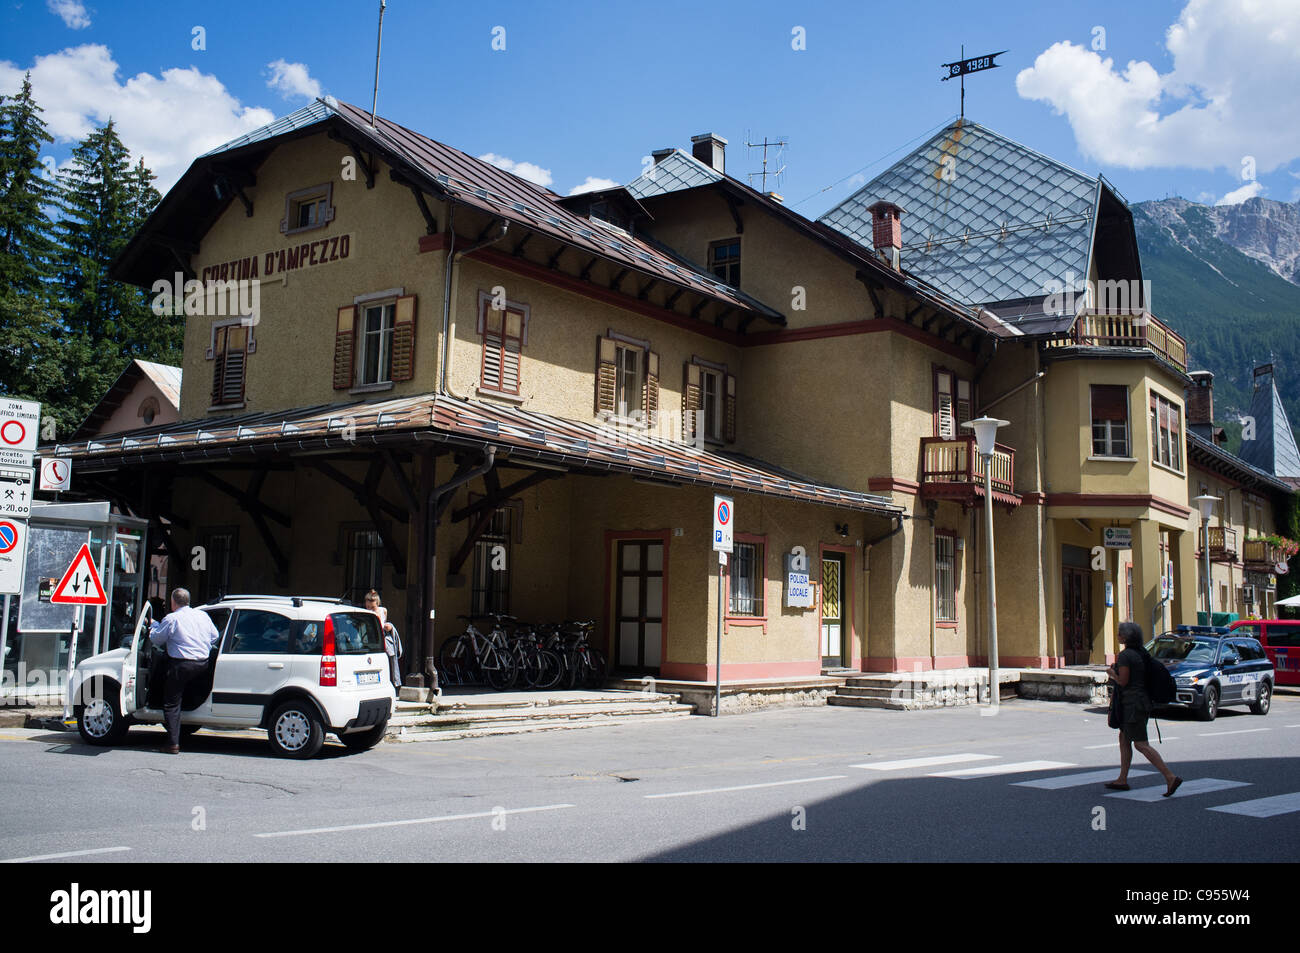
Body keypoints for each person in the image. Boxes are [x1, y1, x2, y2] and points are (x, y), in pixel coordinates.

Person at [1105, 622, 1182, 797]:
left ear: (1124, 637)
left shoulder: (1126, 656)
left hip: (1133, 704)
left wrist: (1111, 674)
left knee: (1141, 744)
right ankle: (1122, 779)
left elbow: (1123, 681)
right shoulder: (1141, 653)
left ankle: (1170, 777)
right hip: (1141, 701)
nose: (1117, 636)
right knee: (1124, 737)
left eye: (1119, 634)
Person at [149, 587, 220, 754]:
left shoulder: (172, 618)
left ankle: (173, 743)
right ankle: (188, 720)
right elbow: (215, 636)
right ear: (187, 601)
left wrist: (154, 626)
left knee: (171, 703)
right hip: (203, 664)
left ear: (173, 602)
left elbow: (157, 639)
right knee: (187, 691)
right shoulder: (202, 615)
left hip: (181, 665)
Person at [365, 590, 402, 696]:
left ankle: (395, 682)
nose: (370, 609)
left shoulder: (383, 611)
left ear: (377, 604)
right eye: (368, 607)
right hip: (372, 638)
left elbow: (384, 622)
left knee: (390, 658)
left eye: (372, 607)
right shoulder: (366, 614)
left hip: (382, 636)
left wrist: (388, 627)